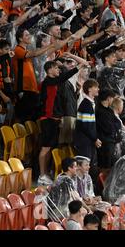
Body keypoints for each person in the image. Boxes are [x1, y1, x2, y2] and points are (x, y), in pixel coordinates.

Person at [37, 58, 82, 186]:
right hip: (48, 119)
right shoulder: (49, 82)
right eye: (56, 68)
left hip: (54, 119)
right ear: (50, 70)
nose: (58, 70)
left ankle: (45, 173)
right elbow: (65, 76)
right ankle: (41, 175)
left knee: (49, 147)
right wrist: (79, 67)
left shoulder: (54, 83)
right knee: (45, 148)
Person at [74, 79, 101, 165]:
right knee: (84, 166)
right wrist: (95, 139)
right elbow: (86, 126)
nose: (98, 89)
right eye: (96, 87)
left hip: (88, 140)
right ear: (89, 89)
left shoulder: (90, 103)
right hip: (84, 142)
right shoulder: (86, 105)